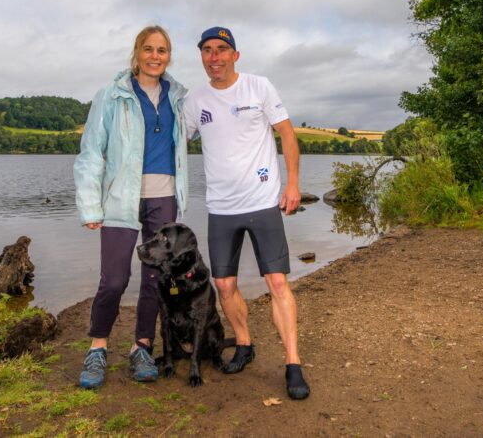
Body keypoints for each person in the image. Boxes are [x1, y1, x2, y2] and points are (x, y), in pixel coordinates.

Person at [183, 26, 310, 400]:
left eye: (222, 49)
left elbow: (286, 133)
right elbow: (173, 140)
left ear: (235, 55)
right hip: (221, 208)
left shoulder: (259, 87)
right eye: (207, 50)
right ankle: (244, 344)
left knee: (276, 283)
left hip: (263, 201)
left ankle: (293, 363)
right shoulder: (195, 101)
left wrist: (292, 183)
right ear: (202, 56)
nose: (214, 57)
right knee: (224, 285)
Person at [73, 25, 188, 389]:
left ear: (169, 56)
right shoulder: (111, 95)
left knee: (155, 278)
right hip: (120, 199)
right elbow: (91, 153)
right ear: (136, 52)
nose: (156, 56)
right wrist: (91, 205)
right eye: (149, 49)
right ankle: (97, 347)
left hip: (164, 196)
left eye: (163, 50)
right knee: (115, 280)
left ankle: (142, 346)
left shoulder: (178, 98)